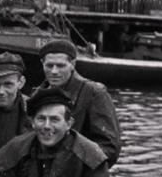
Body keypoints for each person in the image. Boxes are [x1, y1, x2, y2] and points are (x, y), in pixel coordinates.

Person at [35, 39, 122, 167]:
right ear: (42, 64)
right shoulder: (37, 95)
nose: (54, 71)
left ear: (73, 64)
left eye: (60, 66)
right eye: (49, 66)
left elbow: (109, 148)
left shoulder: (94, 93)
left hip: (76, 175)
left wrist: (73, 168)